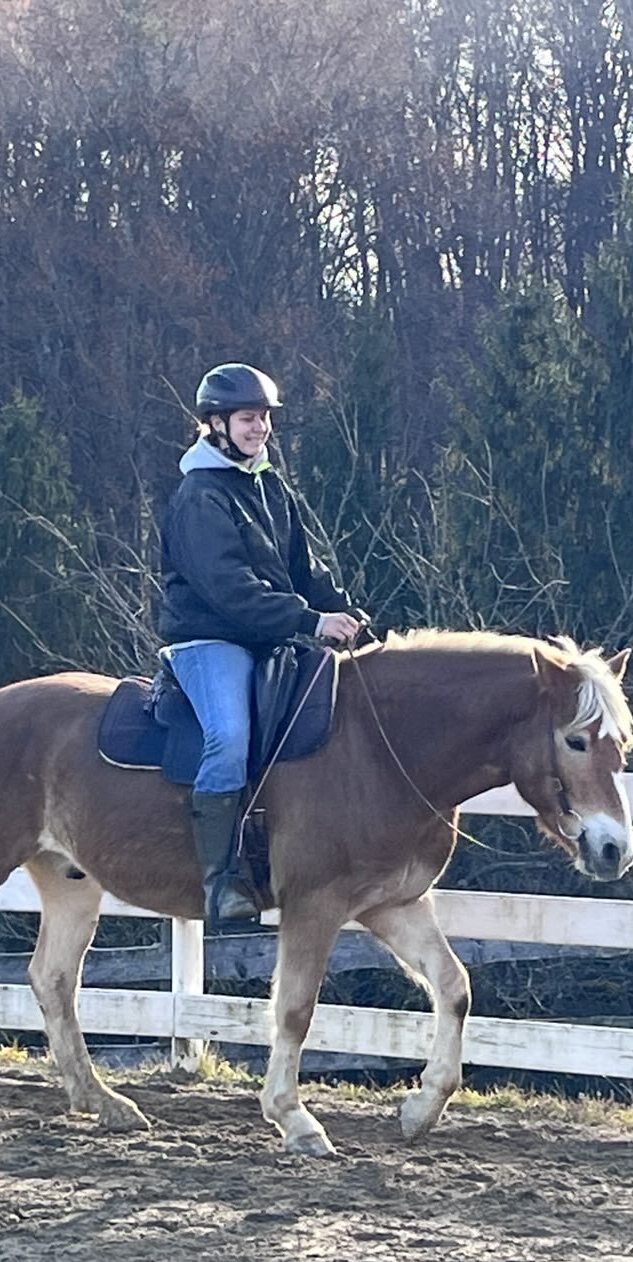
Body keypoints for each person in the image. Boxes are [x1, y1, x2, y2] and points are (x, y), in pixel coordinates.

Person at [158, 362, 369, 928]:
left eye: (265, 419)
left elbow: (302, 568)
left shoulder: (270, 486)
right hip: (211, 639)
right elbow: (229, 591)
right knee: (228, 737)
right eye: (249, 419)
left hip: (268, 636)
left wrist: (342, 609)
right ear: (217, 424)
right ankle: (219, 879)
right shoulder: (198, 496)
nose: (261, 429)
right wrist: (309, 619)